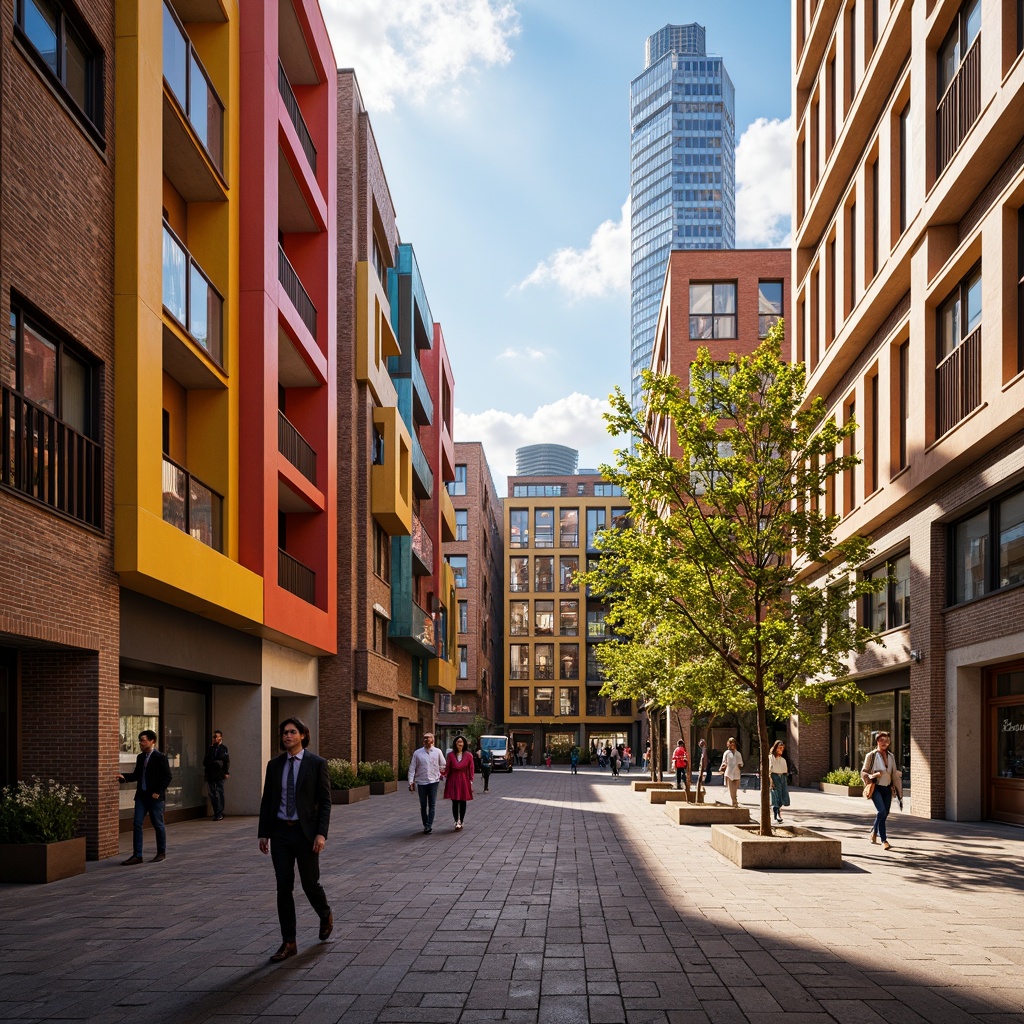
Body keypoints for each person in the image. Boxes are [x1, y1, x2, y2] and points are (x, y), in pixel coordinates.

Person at [258, 717, 333, 963]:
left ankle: (324, 913)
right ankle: (289, 942)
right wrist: (264, 832)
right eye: (284, 733)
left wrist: (321, 834)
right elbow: (268, 799)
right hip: (280, 832)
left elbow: (325, 802)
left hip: (306, 833)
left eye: (292, 732)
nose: (287, 736)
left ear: (302, 735)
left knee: (310, 884)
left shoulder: (317, 764)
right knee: (283, 887)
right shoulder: (274, 765)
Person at [118, 729, 172, 865]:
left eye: (143, 740)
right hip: (141, 797)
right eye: (140, 741)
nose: (141, 743)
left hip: (154, 798)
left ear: (152, 741)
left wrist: (158, 792)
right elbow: (137, 775)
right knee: (137, 824)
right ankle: (137, 855)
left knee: (158, 824)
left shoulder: (160, 758)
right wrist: (124, 777)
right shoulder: (140, 757)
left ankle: (161, 852)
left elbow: (167, 777)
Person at [861, 730, 903, 850]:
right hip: (876, 787)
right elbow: (864, 772)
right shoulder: (872, 755)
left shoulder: (891, 756)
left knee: (885, 813)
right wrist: (873, 775)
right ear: (877, 741)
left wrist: (896, 779)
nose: (885, 743)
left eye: (887, 740)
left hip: (887, 788)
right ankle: (884, 840)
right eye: (882, 740)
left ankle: (874, 832)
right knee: (881, 812)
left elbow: (893, 772)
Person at [407, 733, 446, 834]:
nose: (426, 740)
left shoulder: (438, 752)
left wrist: (441, 773)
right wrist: (411, 781)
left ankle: (429, 825)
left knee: (432, 804)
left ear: (432, 740)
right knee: (423, 805)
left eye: (428, 738)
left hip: (434, 781)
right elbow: (412, 768)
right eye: (424, 738)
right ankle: (425, 824)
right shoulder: (418, 753)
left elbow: (443, 765)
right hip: (421, 782)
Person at [443, 735, 475, 830]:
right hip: (453, 779)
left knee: (463, 800)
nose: (460, 744)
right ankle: (456, 820)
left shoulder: (469, 755)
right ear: (455, 744)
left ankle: (461, 820)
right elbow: (448, 767)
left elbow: (471, 768)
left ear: (464, 744)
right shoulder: (451, 755)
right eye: (458, 742)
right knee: (455, 801)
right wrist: (444, 777)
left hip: (464, 779)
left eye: (461, 742)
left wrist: (471, 780)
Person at [203, 729, 230, 820]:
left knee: (219, 792)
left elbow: (225, 761)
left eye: (216, 737)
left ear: (220, 737)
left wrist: (226, 772)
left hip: (219, 774)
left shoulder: (223, 748)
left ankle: (220, 812)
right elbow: (206, 761)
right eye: (213, 737)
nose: (214, 739)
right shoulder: (211, 749)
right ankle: (216, 812)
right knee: (212, 794)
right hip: (210, 774)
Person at [768, 740, 791, 824]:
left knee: (781, 796)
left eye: (782, 748)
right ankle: (777, 814)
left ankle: (778, 813)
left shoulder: (783, 760)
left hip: (782, 777)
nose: (781, 750)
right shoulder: (770, 758)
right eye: (779, 748)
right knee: (775, 795)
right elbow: (769, 770)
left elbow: (785, 772)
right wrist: (771, 780)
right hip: (774, 776)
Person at [720, 737, 744, 807]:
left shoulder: (738, 753)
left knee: (735, 790)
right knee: (731, 790)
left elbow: (741, 762)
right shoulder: (726, 753)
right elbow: (724, 762)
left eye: (733, 742)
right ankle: (734, 802)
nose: (732, 744)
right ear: (728, 744)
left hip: (737, 773)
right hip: (729, 773)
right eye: (730, 742)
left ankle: (734, 800)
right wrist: (723, 766)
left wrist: (740, 765)